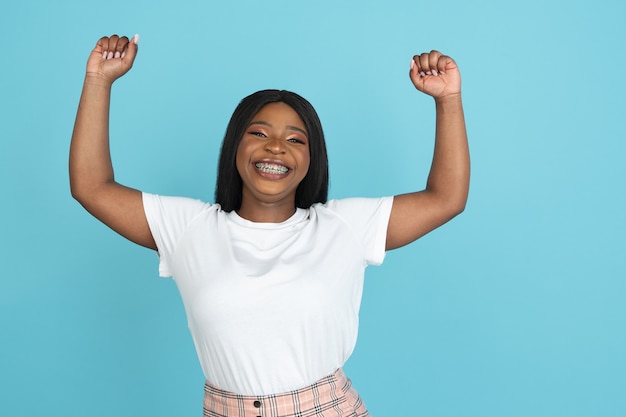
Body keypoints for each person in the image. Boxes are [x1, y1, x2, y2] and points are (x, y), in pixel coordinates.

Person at [70, 34, 469, 416]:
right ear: (235, 147)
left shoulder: (344, 227)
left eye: (296, 140)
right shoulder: (188, 229)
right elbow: (91, 186)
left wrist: (448, 99)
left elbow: (445, 199)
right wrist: (98, 80)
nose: (275, 146)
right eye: (258, 133)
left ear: (312, 160)